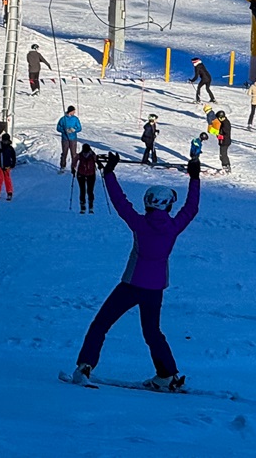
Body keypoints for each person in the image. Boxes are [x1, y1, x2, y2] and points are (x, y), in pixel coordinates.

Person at [72, 151, 200, 391]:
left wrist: (109, 172)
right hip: (155, 289)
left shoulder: (139, 223)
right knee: (152, 332)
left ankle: (85, 366)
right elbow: (191, 207)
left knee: (101, 324)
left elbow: (120, 201)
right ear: (168, 205)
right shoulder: (173, 227)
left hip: (131, 285)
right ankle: (168, 375)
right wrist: (195, 177)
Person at [75, 144, 100, 214]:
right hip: (82, 174)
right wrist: (73, 168)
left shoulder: (92, 155)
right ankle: (83, 206)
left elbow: (97, 161)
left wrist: (100, 165)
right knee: (83, 190)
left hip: (90, 174)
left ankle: (90, 206)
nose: (85, 153)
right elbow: (75, 161)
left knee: (90, 190)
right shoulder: (80, 155)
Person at [58, 105, 82, 171]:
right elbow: (58, 128)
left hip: (73, 138)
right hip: (65, 139)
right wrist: (64, 130)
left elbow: (79, 128)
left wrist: (74, 130)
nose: (74, 112)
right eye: (73, 111)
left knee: (74, 154)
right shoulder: (63, 119)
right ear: (70, 111)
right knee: (64, 153)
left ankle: (74, 167)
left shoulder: (75, 119)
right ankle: (62, 166)